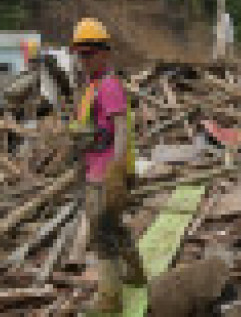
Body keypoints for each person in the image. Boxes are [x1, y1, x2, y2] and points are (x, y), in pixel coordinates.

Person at [69, 17, 146, 309]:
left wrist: (116, 172)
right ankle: (135, 272)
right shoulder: (92, 86)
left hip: (106, 173)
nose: (83, 60)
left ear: (104, 53)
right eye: (80, 54)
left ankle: (110, 297)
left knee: (101, 233)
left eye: (88, 54)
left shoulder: (109, 85)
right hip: (95, 168)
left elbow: (122, 130)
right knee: (112, 226)